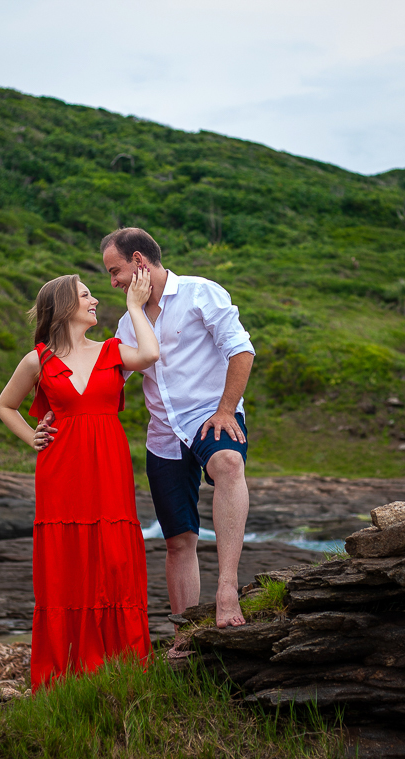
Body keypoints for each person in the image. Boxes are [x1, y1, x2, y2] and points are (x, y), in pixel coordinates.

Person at [82, 227, 255, 629]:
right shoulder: (129, 323)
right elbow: (110, 379)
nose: (112, 283)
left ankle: (227, 592)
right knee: (178, 541)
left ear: (139, 261)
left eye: (115, 271)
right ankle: (185, 633)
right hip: (162, 436)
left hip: (212, 416)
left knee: (228, 463)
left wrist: (227, 410)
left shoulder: (200, 293)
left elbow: (241, 350)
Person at [0, 268, 159, 688]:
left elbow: (151, 354)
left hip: (109, 463)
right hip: (61, 468)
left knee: (114, 555)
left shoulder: (113, 350)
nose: (95, 301)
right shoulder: (38, 359)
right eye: (86, 295)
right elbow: (5, 406)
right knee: (67, 561)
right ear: (65, 306)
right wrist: (33, 436)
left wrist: (135, 307)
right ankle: (66, 670)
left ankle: (121, 662)